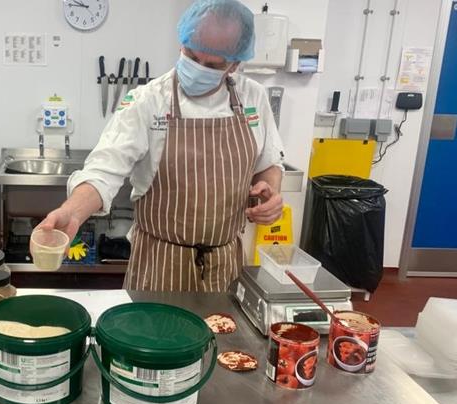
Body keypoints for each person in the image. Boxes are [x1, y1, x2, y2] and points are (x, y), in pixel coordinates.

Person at [38, 0, 285, 292]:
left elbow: (268, 163)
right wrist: (74, 212)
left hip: (225, 266)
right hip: (159, 265)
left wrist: (269, 193)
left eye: (213, 64)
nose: (198, 69)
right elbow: (103, 171)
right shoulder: (147, 100)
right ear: (182, 43)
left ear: (235, 64)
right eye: (191, 56)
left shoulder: (253, 97)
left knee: (222, 337)